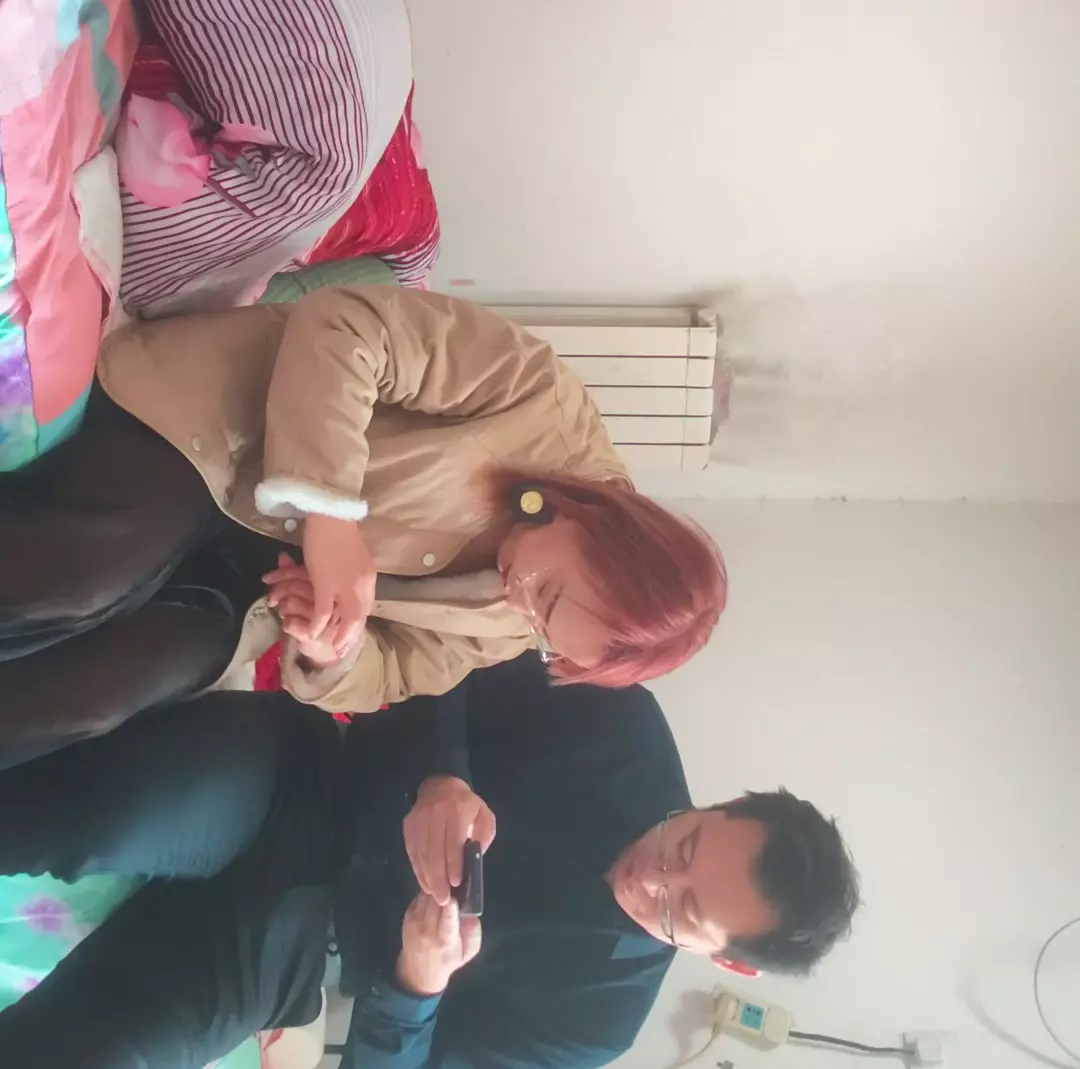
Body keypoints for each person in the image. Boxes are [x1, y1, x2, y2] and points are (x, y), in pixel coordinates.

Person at [0, 654, 860, 1069]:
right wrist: (442, 774)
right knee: (93, 814)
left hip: (289, 957)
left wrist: (420, 982)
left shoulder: (598, 1023)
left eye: (682, 913)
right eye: (685, 844)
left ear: (725, 960)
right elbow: (449, 659)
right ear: (725, 804)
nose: (652, 880)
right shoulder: (623, 723)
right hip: (301, 782)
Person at [0, 288, 727, 760]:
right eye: (550, 591)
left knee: (92, 698)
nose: (521, 600)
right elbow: (346, 324)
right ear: (606, 526)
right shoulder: (539, 398)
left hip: (248, 591)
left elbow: (394, 673)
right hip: (223, 432)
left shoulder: (508, 623)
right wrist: (329, 514)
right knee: (83, 580)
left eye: (542, 626)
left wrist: (331, 650)